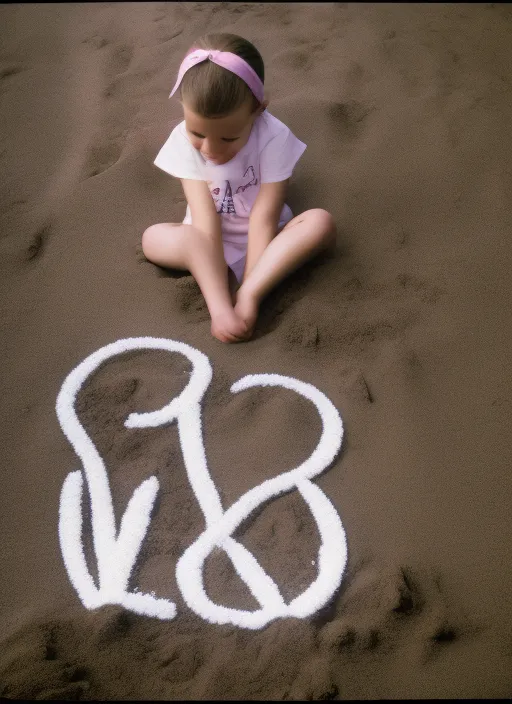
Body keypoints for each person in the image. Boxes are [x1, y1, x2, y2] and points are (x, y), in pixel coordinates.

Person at [142, 33, 336, 343]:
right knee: (151, 238)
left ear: (258, 109)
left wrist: (248, 285)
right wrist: (221, 300)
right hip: (205, 242)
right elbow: (205, 219)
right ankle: (219, 306)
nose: (210, 149)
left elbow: (265, 213)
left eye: (229, 138)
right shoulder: (181, 140)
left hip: (266, 238)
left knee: (320, 222)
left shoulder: (272, 135)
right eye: (198, 133)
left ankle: (252, 293)